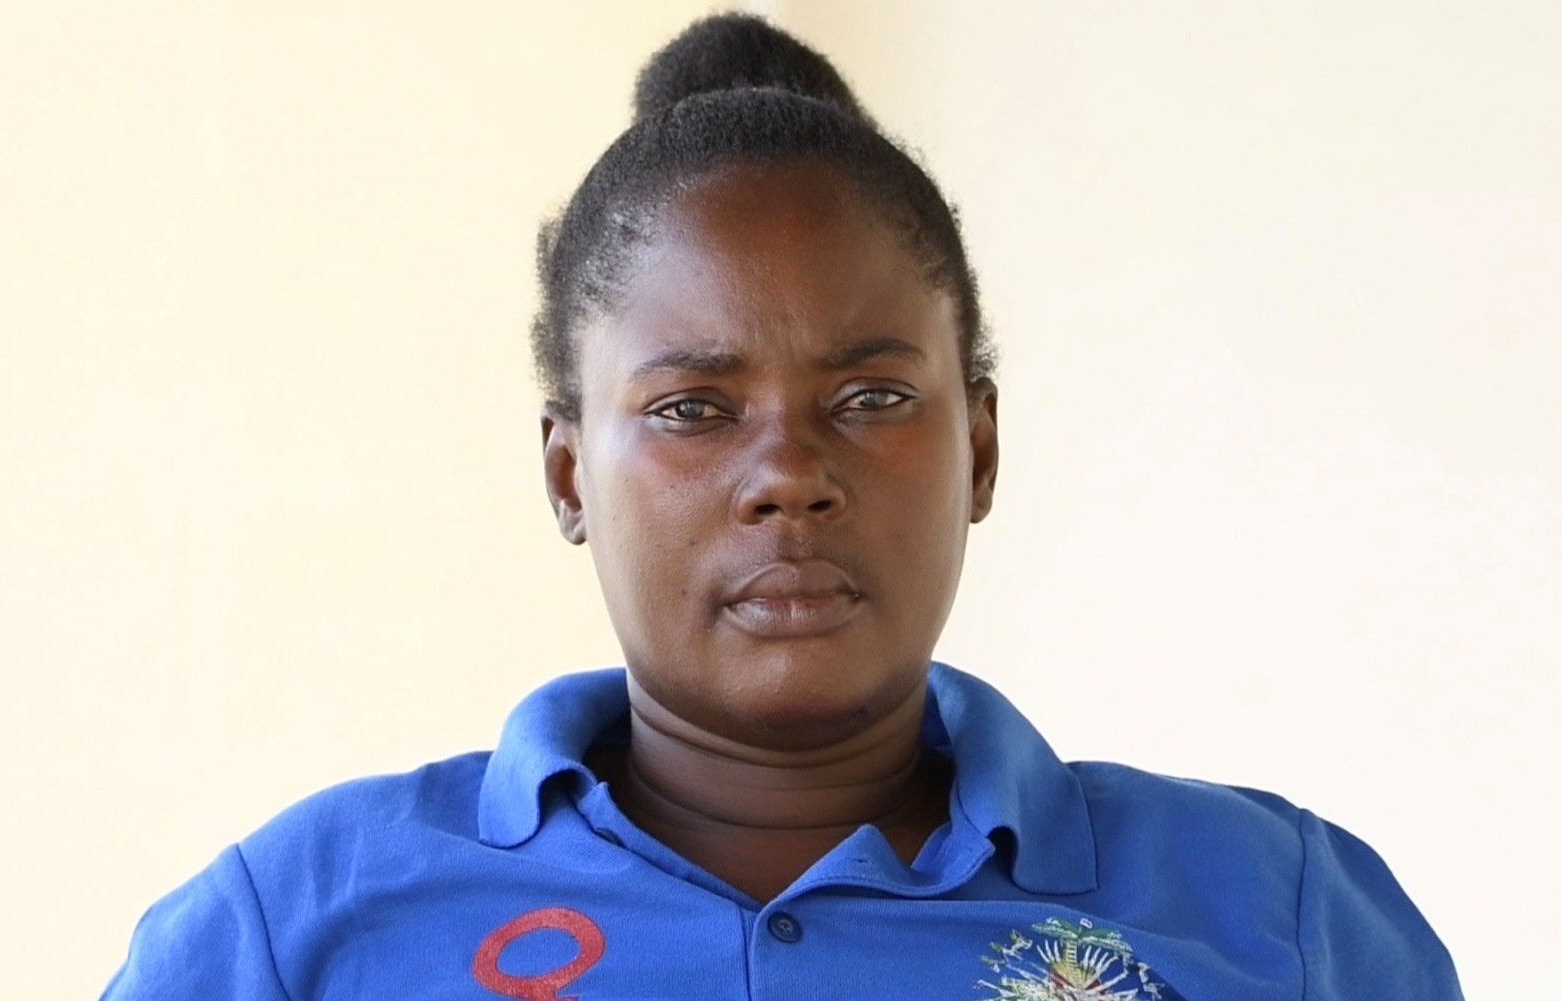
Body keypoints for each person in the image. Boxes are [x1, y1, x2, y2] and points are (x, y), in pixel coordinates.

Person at [101, 14, 1462, 1000]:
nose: (788, 473)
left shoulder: (1279, 915)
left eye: (871, 397)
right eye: (694, 409)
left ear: (979, 448)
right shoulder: (298, 929)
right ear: (570, 472)